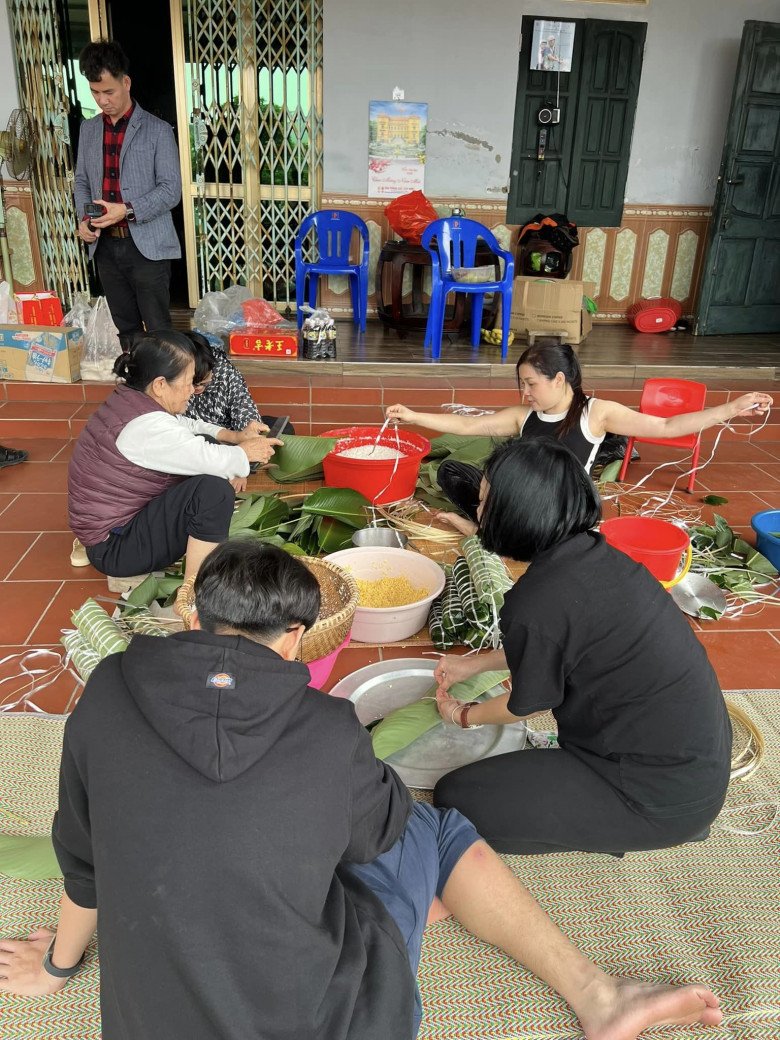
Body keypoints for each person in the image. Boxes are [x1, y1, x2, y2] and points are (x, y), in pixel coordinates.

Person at [0, 540, 723, 1040]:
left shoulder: (104, 695)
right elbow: (377, 835)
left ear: (194, 616)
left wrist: (59, 964)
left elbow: (85, 863)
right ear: (295, 638)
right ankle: (598, 994)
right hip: (349, 1023)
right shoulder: (325, 724)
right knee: (429, 829)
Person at [431, 438, 732, 857]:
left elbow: (524, 704)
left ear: (515, 513)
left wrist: (462, 714)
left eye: (483, 503)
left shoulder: (536, 601)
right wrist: (471, 667)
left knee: (457, 797)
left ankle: (619, 828)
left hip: (651, 795)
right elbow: (560, 644)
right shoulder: (600, 557)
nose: (477, 513)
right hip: (694, 768)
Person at [386, 340, 773, 523]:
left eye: (530, 384)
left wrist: (733, 408)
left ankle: (485, 529)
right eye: (521, 384)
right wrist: (414, 415)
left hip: (560, 508)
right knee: (453, 472)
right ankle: (491, 526)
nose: (524, 392)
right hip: (520, 500)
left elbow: (667, 425)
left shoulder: (597, 413)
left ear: (558, 379)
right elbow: (470, 425)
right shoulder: (524, 416)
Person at [67, 330, 281, 591]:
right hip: (115, 548)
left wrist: (235, 437)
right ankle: (193, 592)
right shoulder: (146, 428)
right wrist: (247, 452)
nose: (193, 390)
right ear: (159, 384)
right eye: (189, 382)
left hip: (115, 530)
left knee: (209, 449)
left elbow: (185, 425)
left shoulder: (134, 400)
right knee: (214, 492)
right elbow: (205, 456)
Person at [74, 40, 181, 348]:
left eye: (109, 92)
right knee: (127, 330)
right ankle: (138, 391)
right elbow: (81, 181)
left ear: (126, 82)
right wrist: (85, 218)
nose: (102, 100)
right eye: (95, 92)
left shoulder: (158, 130)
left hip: (147, 247)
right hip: (106, 248)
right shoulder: (89, 129)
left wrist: (127, 209)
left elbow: (171, 190)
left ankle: (167, 392)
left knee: (159, 330)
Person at [185, 330, 295, 436]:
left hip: (232, 434)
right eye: (193, 384)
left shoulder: (224, 371)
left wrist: (249, 433)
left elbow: (243, 407)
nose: (198, 388)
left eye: (204, 383)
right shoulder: (174, 384)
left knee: (283, 429)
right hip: (195, 443)